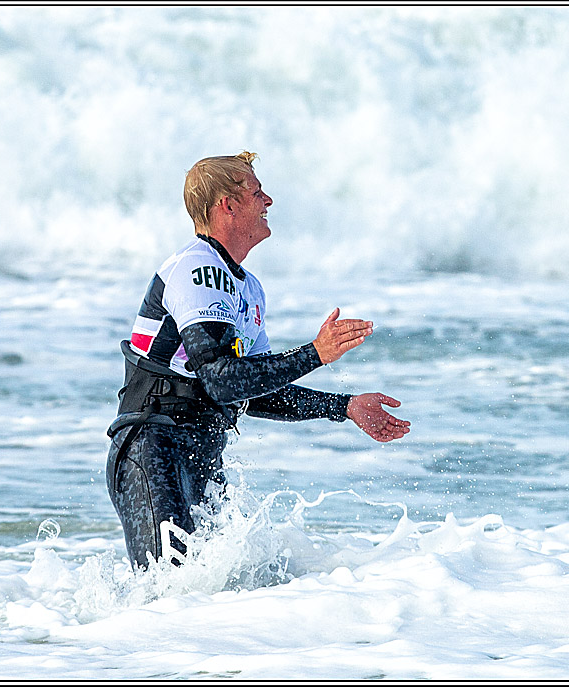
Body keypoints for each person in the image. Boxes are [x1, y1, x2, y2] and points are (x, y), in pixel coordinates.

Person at [106, 151, 410, 568]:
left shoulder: (249, 291)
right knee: (168, 597)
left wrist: (345, 407)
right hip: (153, 446)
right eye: (256, 192)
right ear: (227, 206)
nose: (268, 201)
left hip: (199, 453)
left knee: (213, 597)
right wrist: (315, 353)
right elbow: (220, 379)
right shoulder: (196, 268)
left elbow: (255, 391)